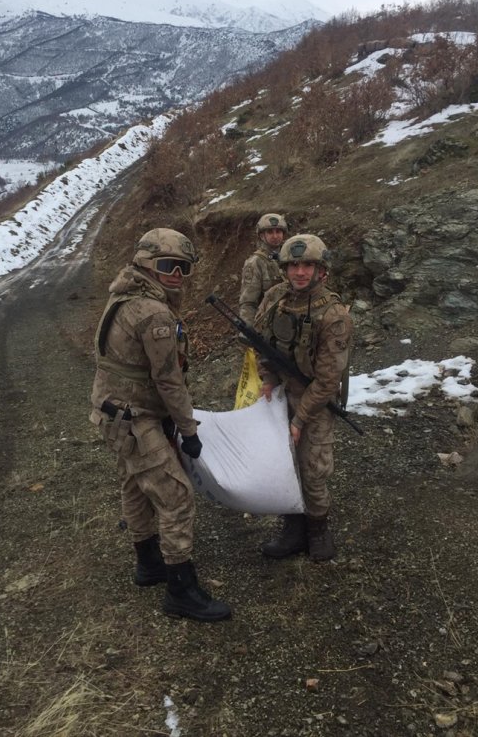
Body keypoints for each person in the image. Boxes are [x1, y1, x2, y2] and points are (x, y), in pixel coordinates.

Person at [90, 228, 232, 622]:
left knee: (135, 486)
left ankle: (148, 563)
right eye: (170, 266)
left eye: (184, 269)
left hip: (112, 411)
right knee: (175, 496)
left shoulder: (123, 293)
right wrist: (189, 431)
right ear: (147, 263)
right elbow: (169, 380)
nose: (177, 276)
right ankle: (180, 589)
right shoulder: (153, 312)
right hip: (135, 417)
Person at [254, 234, 353, 562]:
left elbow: (328, 379)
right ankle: (292, 528)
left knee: (313, 468)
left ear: (321, 269)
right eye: (293, 264)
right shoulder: (274, 299)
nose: (299, 271)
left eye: (307, 264)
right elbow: (261, 344)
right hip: (280, 396)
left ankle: (318, 528)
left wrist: (299, 420)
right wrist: (267, 379)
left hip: (315, 401)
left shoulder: (334, 314)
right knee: (283, 466)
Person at [239, 213, 288, 327]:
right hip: (268, 325)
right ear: (262, 236)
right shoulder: (255, 262)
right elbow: (248, 303)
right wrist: (249, 332)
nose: (275, 236)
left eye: (278, 231)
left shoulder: (290, 258)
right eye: (270, 232)